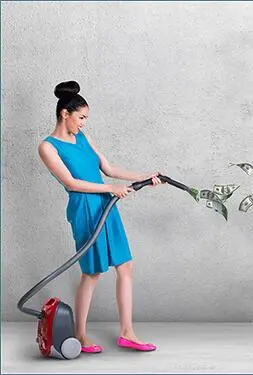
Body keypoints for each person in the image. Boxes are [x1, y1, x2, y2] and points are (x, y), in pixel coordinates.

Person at [39, 81, 163, 353]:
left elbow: (107, 168)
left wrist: (144, 177)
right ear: (65, 114)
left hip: (107, 204)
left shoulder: (83, 138)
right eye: (81, 117)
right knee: (92, 272)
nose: (84, 123)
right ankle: (80, 336)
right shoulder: (48, 147)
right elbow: (71, 183)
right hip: (84, 207)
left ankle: (127, 333)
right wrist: (111, 189)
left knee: (125, 266)